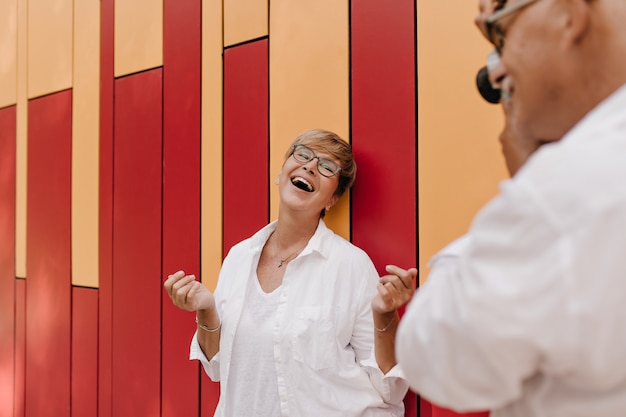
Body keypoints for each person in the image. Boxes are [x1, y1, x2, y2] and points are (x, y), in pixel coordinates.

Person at [395, 1, 626, 416]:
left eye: (498, 33)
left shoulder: (563, 193)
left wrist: (529, 182)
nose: (497, 72)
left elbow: (440, 358)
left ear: (568, 15)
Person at [165, 128, 416, 417]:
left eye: (326, 167)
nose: (310, 166)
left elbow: (390, 389)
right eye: (303, 154)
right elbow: (219, 369)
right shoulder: (238, 257)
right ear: (280, 173)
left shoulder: (350, 266)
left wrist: (385, 316)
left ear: (332, 199)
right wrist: (206, 310)